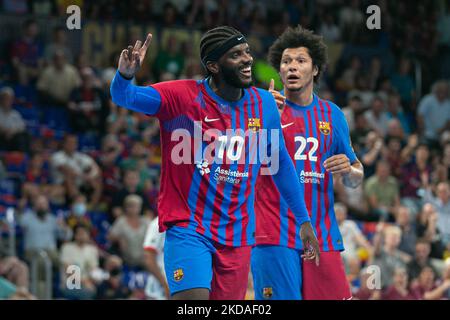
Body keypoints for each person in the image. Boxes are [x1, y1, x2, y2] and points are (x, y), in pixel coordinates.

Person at [110, 26, 319, 300]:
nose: (247, 60)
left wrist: (303, 220)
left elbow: (280, 163)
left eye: (246, 52)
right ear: (214, 66)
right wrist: (125, 75)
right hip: (190, 227)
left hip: (238, 234)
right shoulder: (182, 97)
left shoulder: (265, 105)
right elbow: (124, 96)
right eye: (235, 55)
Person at [252, 26, 364, 300]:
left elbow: (356, 175)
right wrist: (269, 124)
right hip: (274, 232)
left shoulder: (333, 115)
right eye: (286, 62)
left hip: (322, 233)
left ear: (315, 69)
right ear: (278, 71)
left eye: (300, 61)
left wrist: (349, 170)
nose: (292, 67)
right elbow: (243, 165)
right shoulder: (260, 106)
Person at [143, 217, 169, 300]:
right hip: (159, 290)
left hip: (177, 283)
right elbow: (149, 259)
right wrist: (165, 285)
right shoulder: (157, 224)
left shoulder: (183, 222)